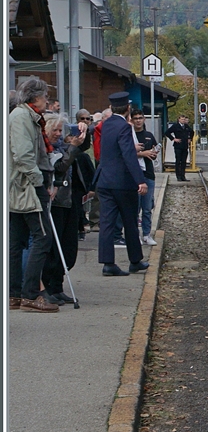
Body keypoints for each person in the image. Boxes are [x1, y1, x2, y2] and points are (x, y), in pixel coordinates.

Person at [7, 77, 59, 312]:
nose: (47, 100)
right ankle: (29, 293)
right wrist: (39, 182)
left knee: (16, 241)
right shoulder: (22, 117)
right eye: (45, 96)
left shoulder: (25, 116)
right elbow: (23, 155)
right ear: (35, 97)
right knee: (42, 237)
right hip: (25, 186)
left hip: (19, 185)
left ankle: (14, 293)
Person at [95, 92, 149, 276]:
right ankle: (135, 261)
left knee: (107, 223)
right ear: (128, 109)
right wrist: (140, 180)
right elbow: (128, 154)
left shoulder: (106, 124)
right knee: (130, 222)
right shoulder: (125, 127)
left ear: (111, 108)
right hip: (123, 183)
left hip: (104, 181)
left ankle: (108, 263)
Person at [44, 114, 90, 305]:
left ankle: (58, 284)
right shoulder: (48, 149)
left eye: (60, 130)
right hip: (55, 202)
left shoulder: (64, 146)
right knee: (54, 249)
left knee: (69, 247)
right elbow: (61, 166)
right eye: (54, 130)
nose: (58, 134)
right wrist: (72, 147)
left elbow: (81, 147)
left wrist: (84, 130)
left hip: (70, 201)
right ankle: (50, 287)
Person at [130, 111, 160, 246]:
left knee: (147, 207)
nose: (138, 121)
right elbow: (126, 153)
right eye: (135, 118)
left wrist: (153, 154)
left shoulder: (149, 136)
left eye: (140, 118)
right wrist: (142, 153)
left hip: (148, 174)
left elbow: (153, 153)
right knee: (134, 208)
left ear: (144, 120)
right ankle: (134, 235)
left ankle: (147, 234)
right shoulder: (129, 136)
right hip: (134, 175)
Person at [164, 113, 194, 181]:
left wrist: (190, 139)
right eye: (182, 119)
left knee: (184, 162)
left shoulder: (186, 126)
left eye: (184, 119)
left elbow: (192, 132)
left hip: (185, 145)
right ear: (179, 119)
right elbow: (167, 132)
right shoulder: (175, 126)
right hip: (178, 146)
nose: (183, 120)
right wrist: (173, 139)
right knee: (178, 161)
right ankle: (178, 176)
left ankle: (183, 176)